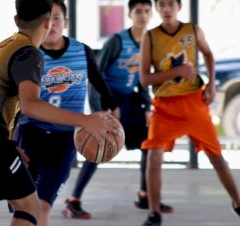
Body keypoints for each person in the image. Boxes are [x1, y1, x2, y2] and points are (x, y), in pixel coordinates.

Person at [0, 0, 120, 225]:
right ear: (47, 22)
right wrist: (86, 120)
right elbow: (30, 105)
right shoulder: (29, 53)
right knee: (30, 207)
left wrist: (8, 140)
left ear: (17, 21)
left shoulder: (3, 46)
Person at [139, 0, 240, 226]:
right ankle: (154, 213)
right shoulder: (151, 37)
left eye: (170, 4)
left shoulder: (193, 31)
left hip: (194, 103)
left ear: (179, 6)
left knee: (217, 159)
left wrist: (212, 85)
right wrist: (176, 71)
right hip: (165, 107)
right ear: (157, 8)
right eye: (161, 4)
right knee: (153, 159)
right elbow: (144, 79)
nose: (166, 9)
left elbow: (209, 55)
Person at [7, 0, 119, 226]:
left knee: (42, 205)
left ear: (65, 22)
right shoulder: (28, 55)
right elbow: (13, 101)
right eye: (48, 18)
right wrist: (10, 140)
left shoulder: (82, 51)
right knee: (23, 207)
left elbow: (99, 83)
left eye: (57, 17)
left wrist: (110, 110)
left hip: (65, 138)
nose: (52, 23)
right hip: (30, 132)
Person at [62, 0, 173, 220]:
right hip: (108, 98)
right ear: (130, 15)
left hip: (129, 99)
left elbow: (142, 79)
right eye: (138, 11)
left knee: (147, 143)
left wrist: (147, 107)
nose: (143, 15)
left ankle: (144, 195)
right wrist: (100, 110)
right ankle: (73, 201)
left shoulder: (149, 42)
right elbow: (96, 75)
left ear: (152, 15)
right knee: (98, 147)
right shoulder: (117, 41)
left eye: (147, 11)